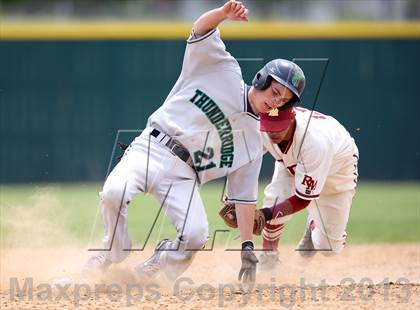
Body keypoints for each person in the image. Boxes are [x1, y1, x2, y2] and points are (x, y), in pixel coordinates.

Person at [83, 1, 305, 284]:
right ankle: (113, 251)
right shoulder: (221, 70)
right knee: (114, 192)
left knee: (197, 235)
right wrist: (223, 15)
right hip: (152, 147)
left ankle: (156, 266)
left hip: (185, 176)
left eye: (283, 100)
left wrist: (247, 246)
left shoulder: (254, 141)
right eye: (275, 91)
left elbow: (244, 198)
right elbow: (200, 29)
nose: (275, 101)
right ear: (261, 79)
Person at [257, 106, 359, 269]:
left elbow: (302, 200)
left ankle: (313, 226)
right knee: (274, 199)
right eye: (268, 125)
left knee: (330, 248)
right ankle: (268, 258)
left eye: (278, 126)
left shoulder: (315, 143)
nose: (272, 132)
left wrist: (264, 215)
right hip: (293, 162)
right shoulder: (262, 127)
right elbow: (246, 159)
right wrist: (230, 198)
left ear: (292, 118)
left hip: (338, 171)